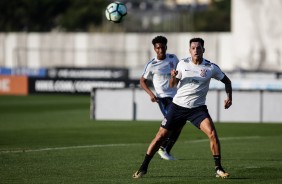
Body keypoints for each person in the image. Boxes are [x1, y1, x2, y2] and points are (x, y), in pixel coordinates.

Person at [133, 37, 232, 179]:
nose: (196, 50)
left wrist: (229, 97)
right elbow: (173, 84)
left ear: (203, 50)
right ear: (189, 50)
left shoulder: (210, 68)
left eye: (198, 48)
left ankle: (219, 169)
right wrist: (173, 77)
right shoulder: (182, 64)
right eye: (193, 48)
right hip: (178, 107)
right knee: (160, 136)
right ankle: (143, 167)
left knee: (212, 134)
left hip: (198, 109)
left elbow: (227, 81)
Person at [140, 35, 182, 160]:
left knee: (179, 124)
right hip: (163, 98)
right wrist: (151, 94)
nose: (160, 50)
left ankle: (165, 149)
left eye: (162, 47)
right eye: (158, 48)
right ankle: (162, 148)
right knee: (173, 123)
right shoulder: (151, 64)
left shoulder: (173, 58)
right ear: (154, 49)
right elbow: (142, 81)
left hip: (177, 97)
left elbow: (180, 73)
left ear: (166, 47)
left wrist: (176, 77)